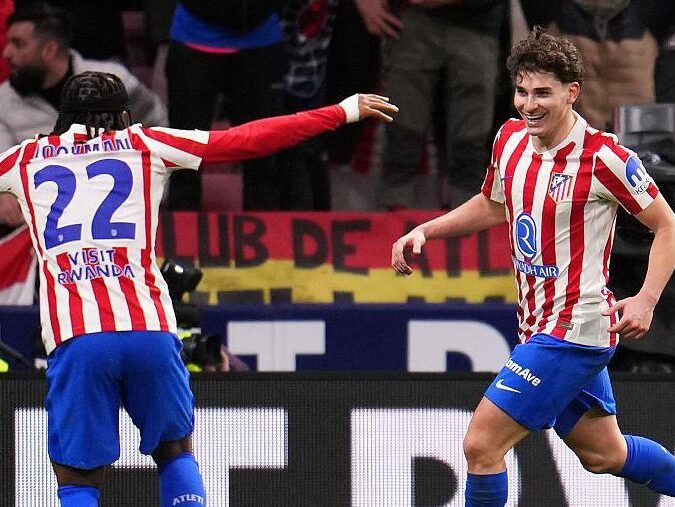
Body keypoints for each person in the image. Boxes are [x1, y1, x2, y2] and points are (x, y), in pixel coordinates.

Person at [0, 70, 396, 506]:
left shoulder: (23, 159)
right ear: (123, 115)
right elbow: (247, 140)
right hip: (149, 330)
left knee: (77, 476)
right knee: (175, 451)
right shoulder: (145, 143)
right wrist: (340, 111)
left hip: (78, 337)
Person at [391, 27, 675, 505]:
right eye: (522, 91)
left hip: (575, 329)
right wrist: (428, 230)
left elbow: (667, 224)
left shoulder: (604, 157)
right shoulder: (510, 139)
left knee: (481, 445)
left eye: (542, 93)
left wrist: (646, 299)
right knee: (604, 454)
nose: (529, 104)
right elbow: (493, 203)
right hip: (537, 324)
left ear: (572, 92)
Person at [0, 2, 167, 235]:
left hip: (119, 212)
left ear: (49, 51)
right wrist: (4, 192)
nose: (7, 53)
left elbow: (158, 131)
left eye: (18, 44)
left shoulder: (113, 81)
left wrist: (152, 187)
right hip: (40, 223)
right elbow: (3, 161)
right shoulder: (4, 100)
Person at [355, 0, 505, 210]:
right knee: (401, 137)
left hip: (477, 20)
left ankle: (468, 221)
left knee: (469, 145)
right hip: (414, 19)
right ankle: (393, 219)